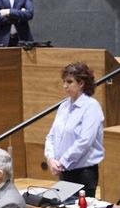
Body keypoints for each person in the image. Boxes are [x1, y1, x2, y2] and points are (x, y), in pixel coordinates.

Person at [43, 60, 105, 195]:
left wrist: (62, 162)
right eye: (64, 82)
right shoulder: (63, 106)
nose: (65, 86)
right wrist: (51, 158)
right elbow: (51, 136)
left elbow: (85, 141)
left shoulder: (91, 107)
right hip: (64, 170)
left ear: (81, 83)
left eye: (69, 82)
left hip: (83, 173)